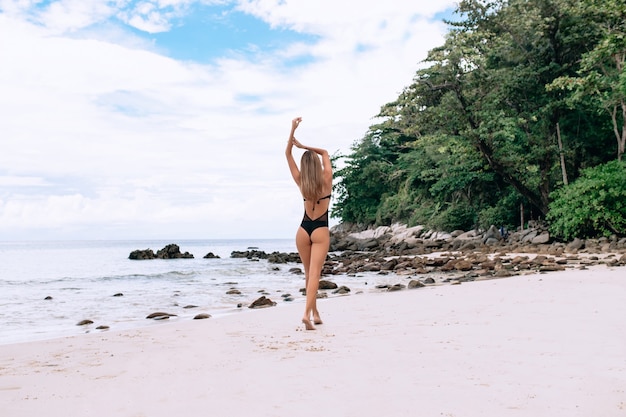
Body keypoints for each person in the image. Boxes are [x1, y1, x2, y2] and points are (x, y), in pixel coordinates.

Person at [285, 117, 333, 330]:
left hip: (303, 230)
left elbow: (287, 154)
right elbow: (324, 153)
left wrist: (292, 132)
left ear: (304, 167)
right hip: (320, 229)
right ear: (316, 165)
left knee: (308, 274)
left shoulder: (300, 181)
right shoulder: (326, 180)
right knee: (315, 274)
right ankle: (306, 314)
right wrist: (304, 146)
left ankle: (315, 313)